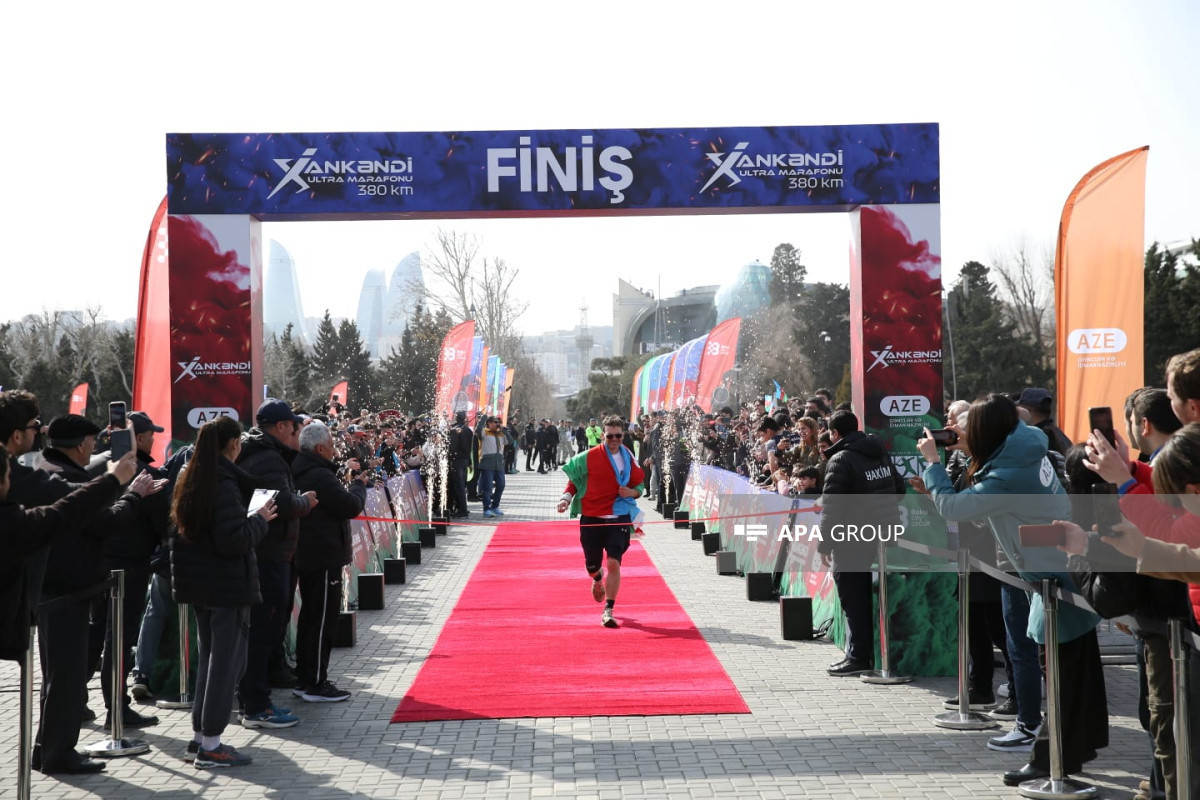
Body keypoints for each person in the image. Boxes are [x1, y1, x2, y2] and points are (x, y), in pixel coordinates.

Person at [918, 393, 1106, 787]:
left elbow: (952, 509)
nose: (958, 433)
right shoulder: (1023, 444)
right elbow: (1009, 422)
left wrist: (935, 463)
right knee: (1070, 676)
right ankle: (1059, 756)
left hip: (1054, 582)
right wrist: (967, 439)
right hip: (1058, 572)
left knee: (1060, 678)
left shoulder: (1007, 473)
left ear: (989, 431)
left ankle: (1051, 761)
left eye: (969, 428)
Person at [35, 415, 165, 770]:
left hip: (60, 587)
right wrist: (134, 496)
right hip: (67, 590)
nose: (96, 449)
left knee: (59, 677)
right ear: (79, 445)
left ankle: (45, 747)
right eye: (92, 442)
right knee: (65, 678)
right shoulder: (67, 478)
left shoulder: (48, 469)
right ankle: (58, 753)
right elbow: (105, 521)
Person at [171, 415, 277, 768]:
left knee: (210, 662)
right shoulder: (223, 482)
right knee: (225, 666)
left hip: (200, 585)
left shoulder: (190, 476)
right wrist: (260, 520)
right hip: (225, 586)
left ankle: (201, 738)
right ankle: (212, 744)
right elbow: (234, 540)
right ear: (234, 444)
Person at [236, 399, 317, 726]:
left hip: (271, 552)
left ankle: (257, 699)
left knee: (264, 632)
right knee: (262, 631)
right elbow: (280, 502)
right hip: (269, 555)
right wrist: (305, 501)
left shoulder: (267, 453)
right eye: (294, 427)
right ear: (281, 427)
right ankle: (255, 705)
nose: (297, 434)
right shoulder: (268, 458)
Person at [817, 410, 906, 676]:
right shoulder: (878, 450)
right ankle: (863, 653)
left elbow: (833, 509)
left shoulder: (840, 459)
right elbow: (899, 489)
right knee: (865, 596)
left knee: (853, 597)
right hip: (882, 533)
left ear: (834, 433)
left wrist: (824, 545)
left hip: (853, 538)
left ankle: (858, 657)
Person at [291, 421, 367, 704]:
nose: (335, 450)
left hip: (314, 555)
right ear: (320, 448)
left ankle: (307, 677)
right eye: (332, 445)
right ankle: (315, 681)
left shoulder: (308, 468)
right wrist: (360, 485)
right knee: (321, 620)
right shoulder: (319, 475)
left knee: (313, 618)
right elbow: (349, 505)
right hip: (321, 557)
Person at [557, 414, 645, 628]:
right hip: (593, 517)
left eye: (618, 436)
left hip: (619, 516)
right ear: (602, 436)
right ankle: (597, 578)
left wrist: (632, 492)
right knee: (592, 566)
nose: (614, 440)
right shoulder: (588, 457)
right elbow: (574, 481)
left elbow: (640, 487)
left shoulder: (628, 457)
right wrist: (565, 499)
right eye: (610, 436)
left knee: (614, 562)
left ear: (623, 435)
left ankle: (609, 609)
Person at [477, 416, 507, 518]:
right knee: (488, 487)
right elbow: (477, 430)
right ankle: (486, 508)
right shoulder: (484, 432)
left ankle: (495, 506)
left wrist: (504, 430)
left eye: (498, 422)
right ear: (489, 423)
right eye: (494, 422)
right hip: (487, 464)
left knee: (501, 485)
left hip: (499, 464)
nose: (496, 424)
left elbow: (510, 442)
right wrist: (482, 419)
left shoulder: (501, 434)